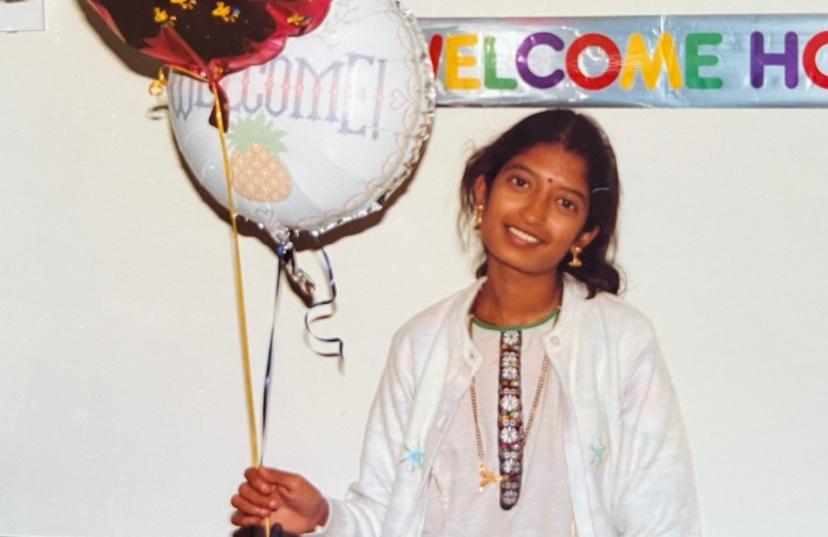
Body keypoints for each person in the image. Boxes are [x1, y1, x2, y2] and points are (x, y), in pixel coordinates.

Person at [230, 110, 701, 536]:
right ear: (482, 192)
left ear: (585, 235)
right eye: (521, 183)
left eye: (565, 203)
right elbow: (388, 513)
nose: (534, 213)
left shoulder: (619, 341)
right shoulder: (421, 345)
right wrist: (322, 517)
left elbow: (663, 517)